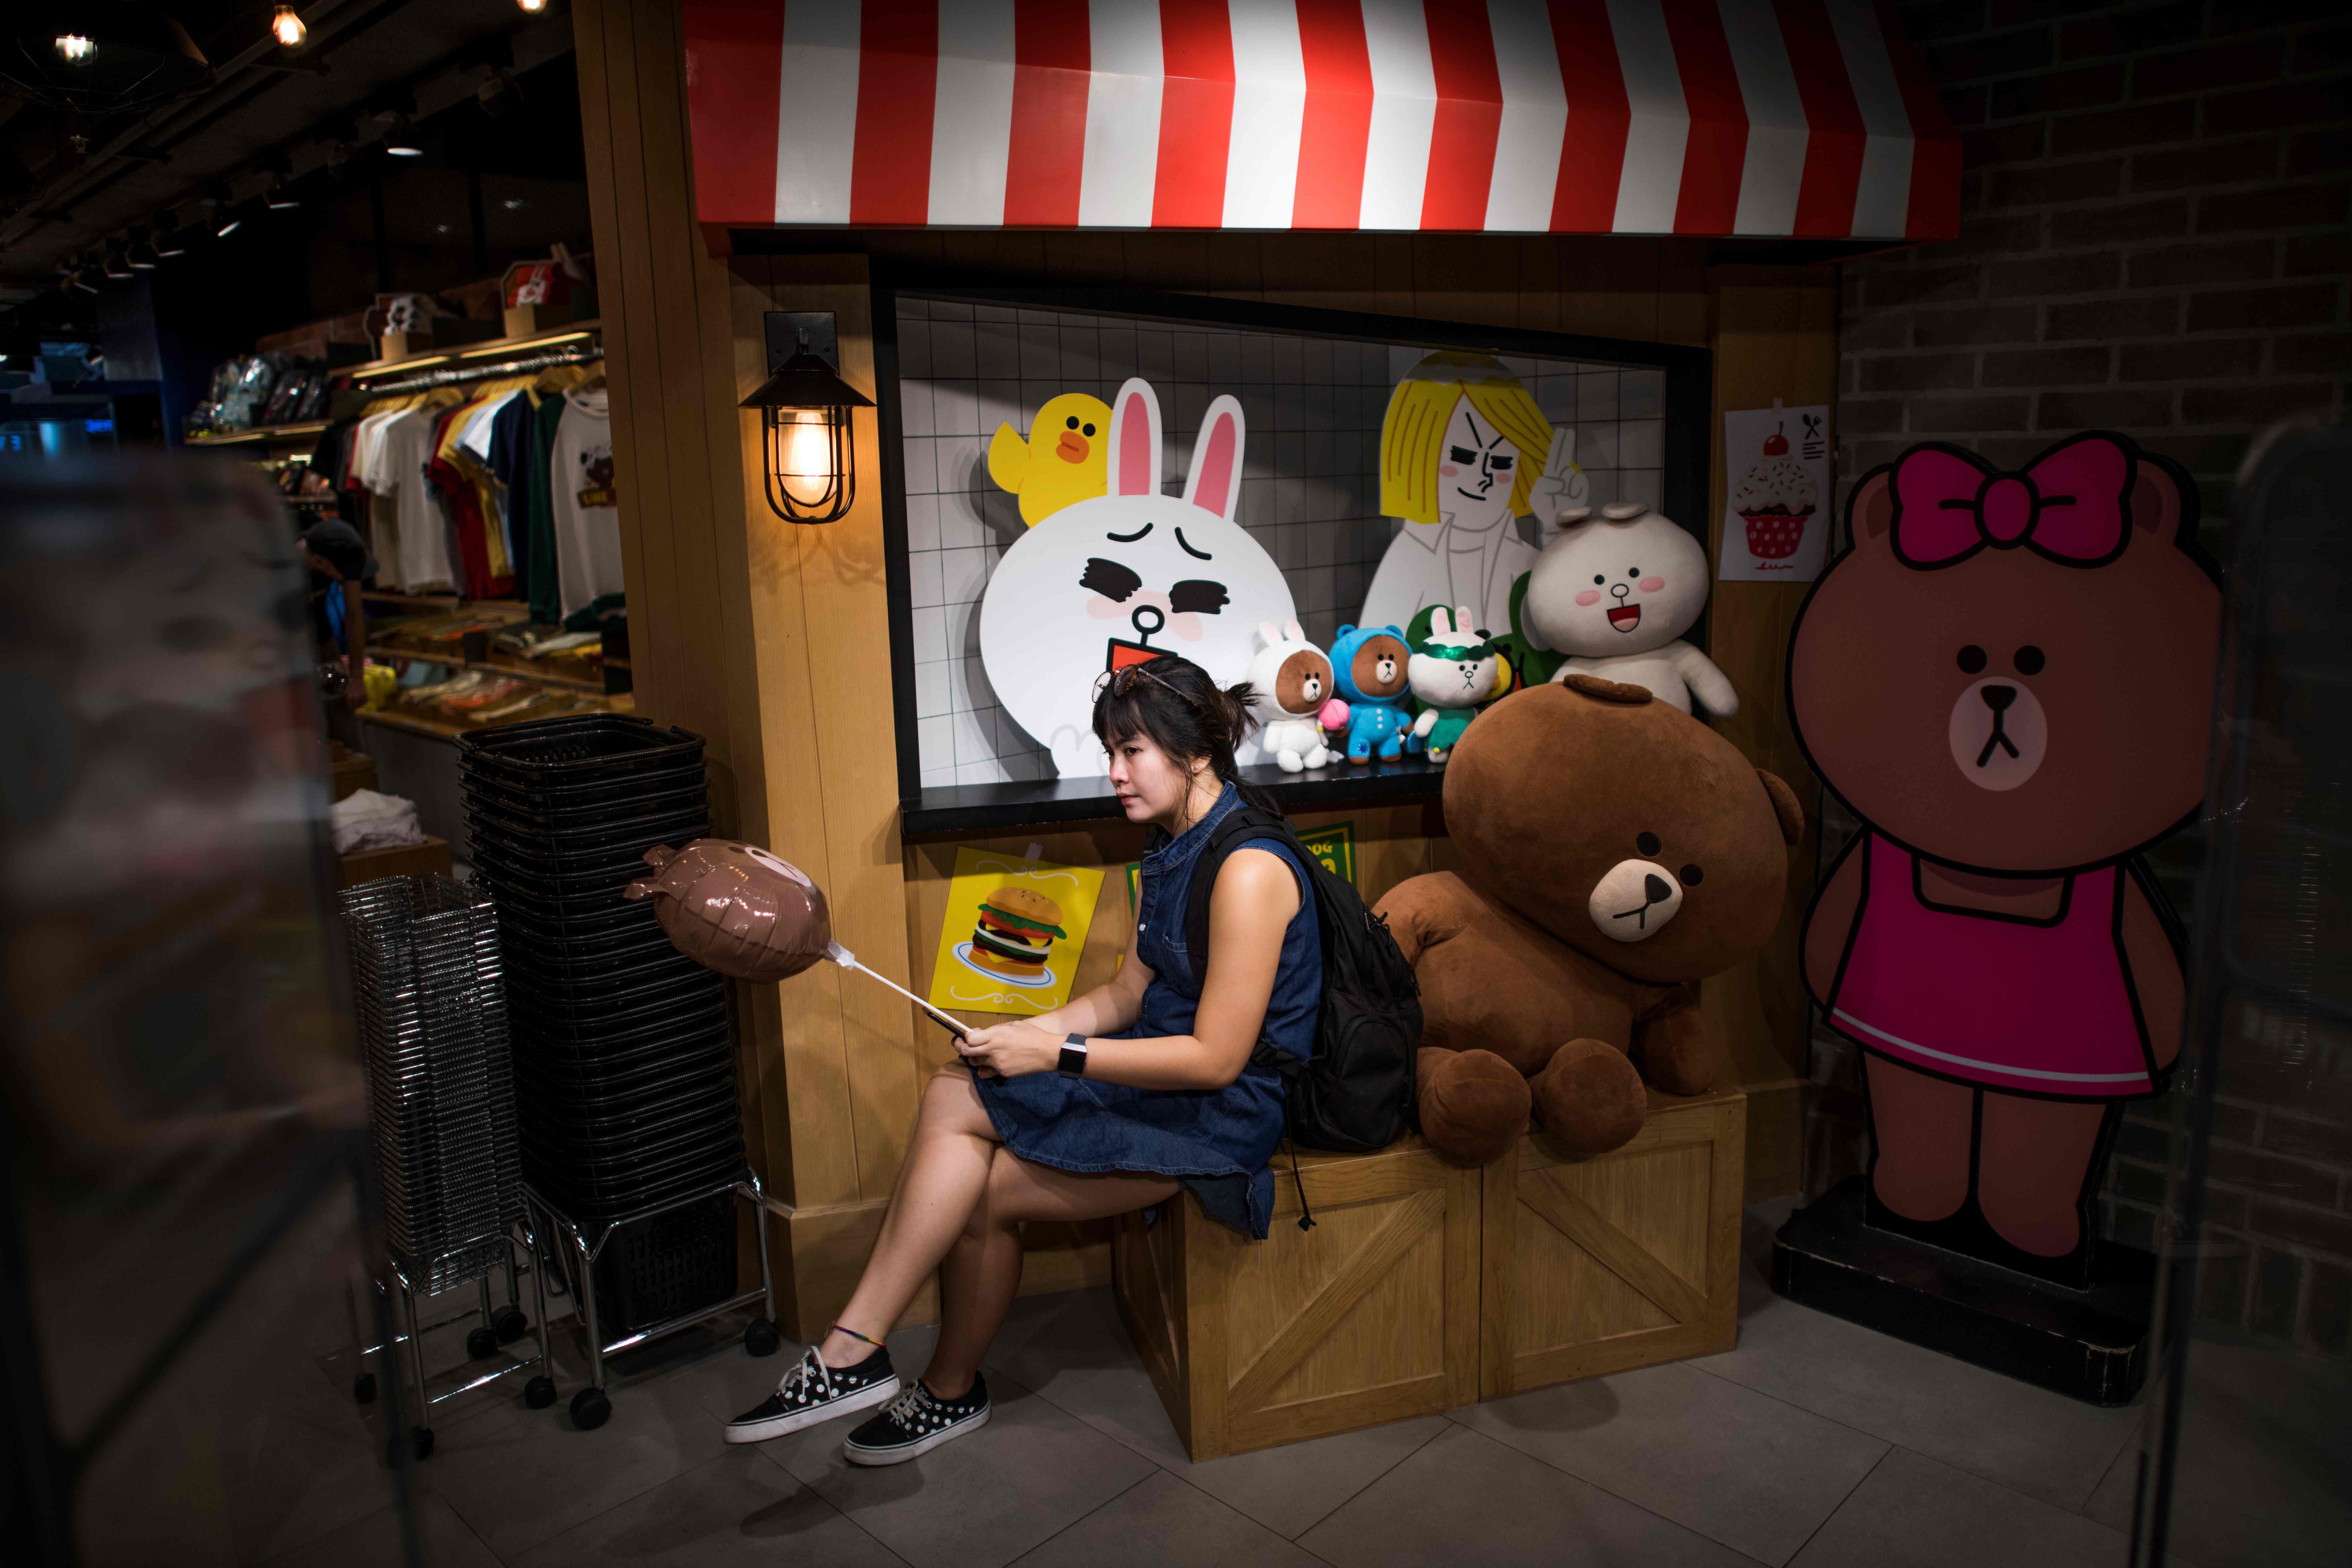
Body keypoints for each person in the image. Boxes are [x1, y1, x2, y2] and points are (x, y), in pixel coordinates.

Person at [724, 654, 1324, 1464]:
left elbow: (1219, 1060)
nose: (1112, 772)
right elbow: (1127, 994)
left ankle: (927, 1381)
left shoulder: (1249, 870)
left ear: (1198, 755)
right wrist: (1030, 1036)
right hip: (1159, 1067)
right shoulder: (1167, 846)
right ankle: (858, 1352)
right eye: (1111, 751)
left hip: (1225, 1113)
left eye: (1131, 752)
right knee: (956, 1083)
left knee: (985, 1192)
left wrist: (1057, 1054)